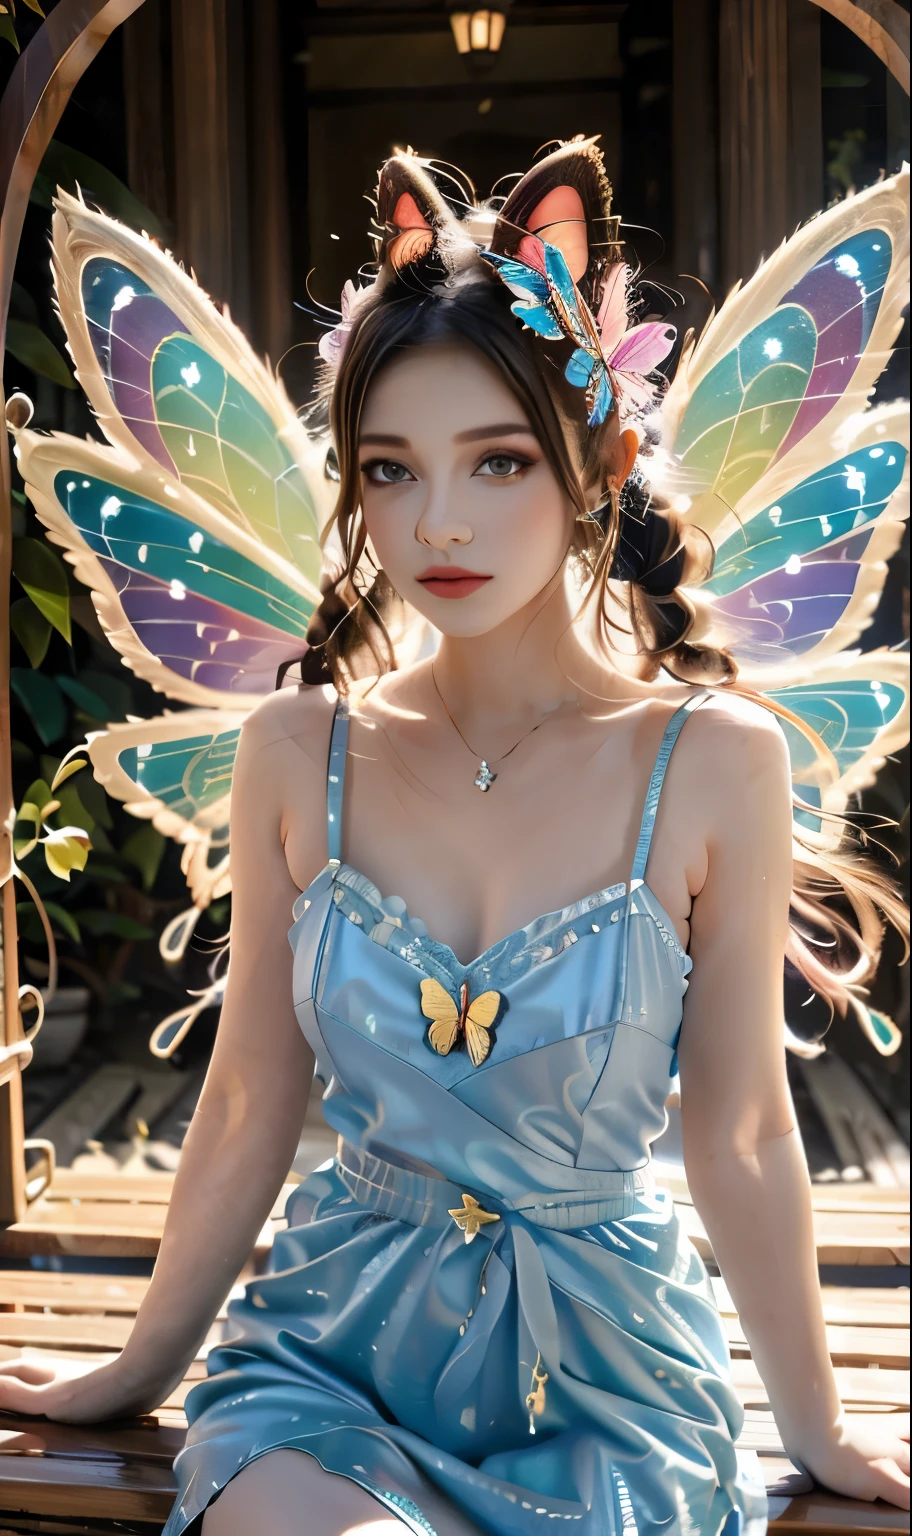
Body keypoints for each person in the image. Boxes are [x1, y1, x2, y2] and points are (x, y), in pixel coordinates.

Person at [1, 139, 909, 1536]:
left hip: (607, 1389)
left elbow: (740, 1130)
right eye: (389, 470)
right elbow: (248, 1094)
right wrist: (143, 1363)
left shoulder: (715, 763)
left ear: (593, 459)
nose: (439, 521)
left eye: (495, 462)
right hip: (331, 1360)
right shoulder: (300, 752)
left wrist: (820, 1427)